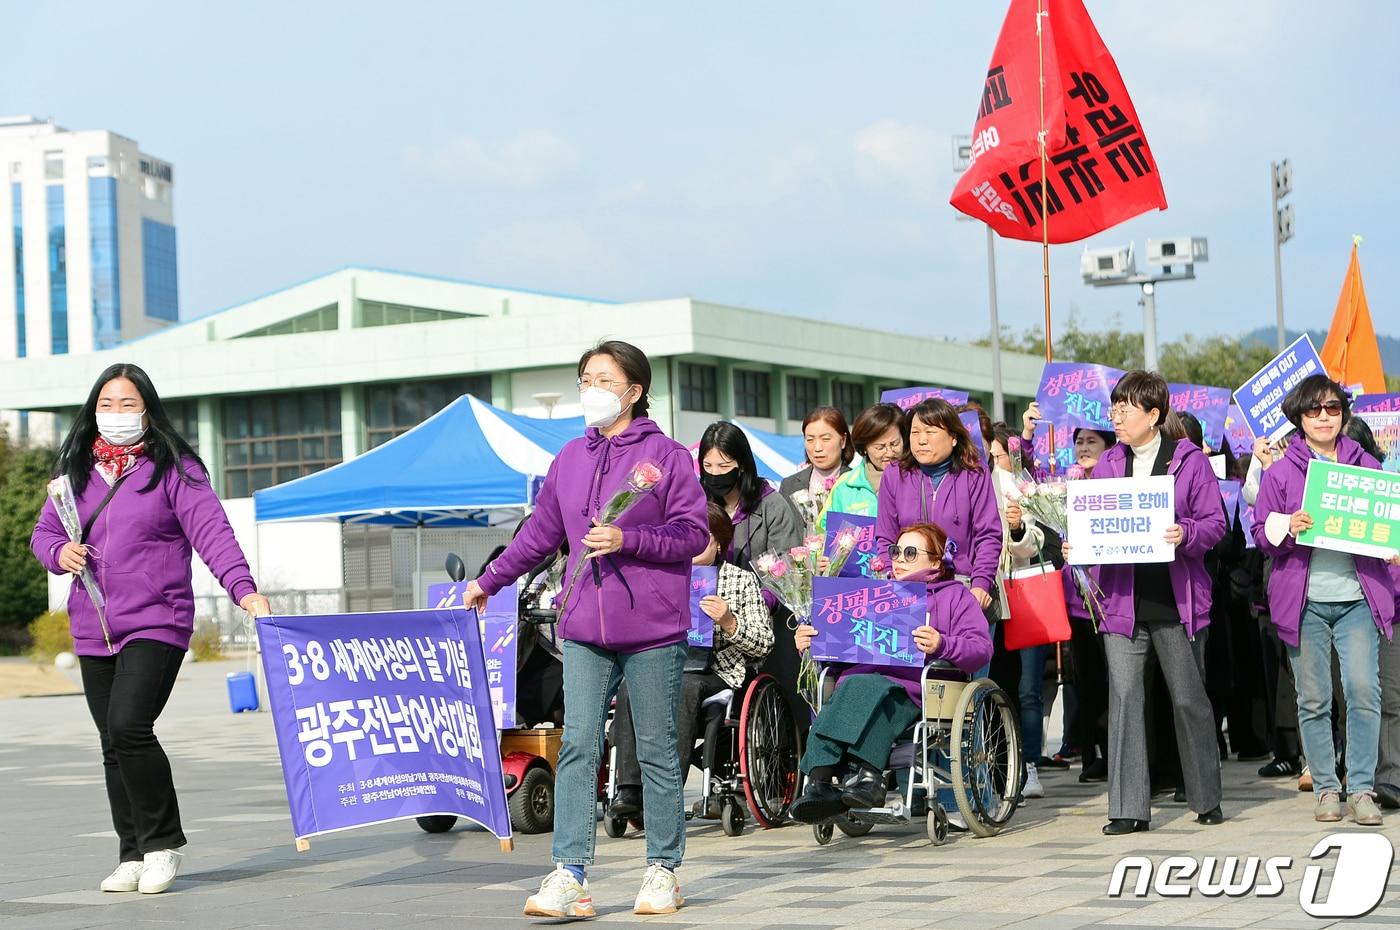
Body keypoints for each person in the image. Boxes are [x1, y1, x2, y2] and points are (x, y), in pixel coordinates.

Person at [464, 341, 708, 918]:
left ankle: (663, 870)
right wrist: (488, 581)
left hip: (652, 629)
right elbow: (539, 534)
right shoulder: (569, 458)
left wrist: (631, 540)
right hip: (582, 627)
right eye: (583, 380)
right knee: (577, 744)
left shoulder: (669, 457)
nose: (589, 390)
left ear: (634, 390)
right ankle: (569, 874)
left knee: (654, 748)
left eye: (601, 379)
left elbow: (693, 535)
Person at [30, 363, 270, 896]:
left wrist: (243, 588)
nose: (116, 415)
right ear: (94, 410)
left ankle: (163, 846)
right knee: (112, 742)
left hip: (157, 620)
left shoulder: (175, 470)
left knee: (129, 725)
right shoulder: (74, 474)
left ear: (148, 410)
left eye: (128, 404)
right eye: (107, 405)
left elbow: (212, 533)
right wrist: (58, 551)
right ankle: (131, 853)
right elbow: (44, 533)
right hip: (93, 624)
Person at [1066, 370, 1227, 834]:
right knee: (1125, 700)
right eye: (1114, 407)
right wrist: (1078, 548)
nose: (1116, 417)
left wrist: (1186, 533)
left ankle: (1205, 796)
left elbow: (1215, 523)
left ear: (1154, 415)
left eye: (1126, 408)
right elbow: (1092, 525)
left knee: (1188, 700)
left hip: (1176, 601)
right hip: (1122, 602)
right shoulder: (1110, 464)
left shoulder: (1188, 461)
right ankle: (1128, 808)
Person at [1251, 374, 1396, 826]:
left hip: (1358, 598)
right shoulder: (1279, 473)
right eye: (1314, 410)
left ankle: (1362, 788)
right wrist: (1288, 526)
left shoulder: (1367, 467)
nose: (1324, 417)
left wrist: (1391, 544)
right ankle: (1327, 789)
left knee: (1362, 691)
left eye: (1332, 408)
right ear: (1299, 417)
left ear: (1344, 413)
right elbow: (1260, 534)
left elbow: (1386, 521)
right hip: (1304, 602)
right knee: (1313, 699)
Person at [788, 521, 994, 822]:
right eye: (896, 551)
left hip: (916, 689)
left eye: (910, 553)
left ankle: (834, 778)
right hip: (861, 683)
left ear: (936, 560)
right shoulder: (872, 592)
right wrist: (810, 642)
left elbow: (981, 649)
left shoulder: (955, 596)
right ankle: (838, 783)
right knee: (853, 686)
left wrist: (942, 643)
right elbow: (840, 645)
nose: (898, 558)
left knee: (868, 689)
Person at [609, 502, 773, 818]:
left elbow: (764, 643)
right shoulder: (662, 577)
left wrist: (729, 621)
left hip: (716, 669)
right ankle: (629, 789)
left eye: (703, 538)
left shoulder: (740, 580)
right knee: (631, 686)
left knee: (683, 686)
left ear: (720, 543)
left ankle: (666, 794)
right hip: (667, 661)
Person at [698, 422, 805, 725]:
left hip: (765, 617)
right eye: (708, 465)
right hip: (706, 619)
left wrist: (752, 608)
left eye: (725, 465)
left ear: (742, 464)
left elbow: (785, 569)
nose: (716, 473)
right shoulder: (696, 503)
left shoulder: (772, 505)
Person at [873, 398, 1002, 618]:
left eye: (930, 432)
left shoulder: (975, 473)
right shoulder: (895, 475)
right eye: (915, 432)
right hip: (908, 593)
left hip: (963, 592)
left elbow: (988, 535)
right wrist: (889, 577)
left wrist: (980, 583)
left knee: (962, 651)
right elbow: (885, 537)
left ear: (953, 437)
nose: (921, 440)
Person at [988, 424, 1050, 798]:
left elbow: (1035, 542)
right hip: (991, 603)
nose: (993, 462)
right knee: (997, 686)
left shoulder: (1016, 488)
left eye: (998, 455)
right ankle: (999, 763)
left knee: (1028, 689)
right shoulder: (971, 485)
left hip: (1023, 598)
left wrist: (1016, 530)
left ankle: (1029, 765)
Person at [818, 403, 904, 531]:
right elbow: (823, 529)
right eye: (879, 447)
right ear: (864, 447)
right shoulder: (845, 485)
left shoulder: (917, 479)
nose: (889, 452)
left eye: (895, 444)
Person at [780, 405, 854, 505]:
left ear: (843, 440)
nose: (817, 448)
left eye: (826, 439)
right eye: (810, 440)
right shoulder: (789, 486)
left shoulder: (857, 483)